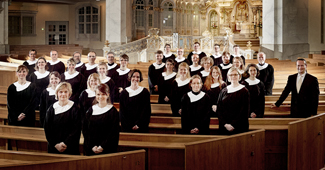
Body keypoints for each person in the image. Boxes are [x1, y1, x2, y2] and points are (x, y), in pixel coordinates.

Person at [44, 82, 81, 155]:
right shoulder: (52, 109)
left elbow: (76, 129)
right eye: (61, 92)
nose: (63, 94)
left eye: (65, 92)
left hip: (70, 147)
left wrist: (66, 143)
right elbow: (47, 128)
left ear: (69, 93)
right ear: (57, 93)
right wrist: (55, 144)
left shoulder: (75, 108)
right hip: (54, 147)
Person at [82, 84, 119, 156]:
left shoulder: (113, 111)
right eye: (98, 94)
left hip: (107, 149)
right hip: (91, 148)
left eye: (103, 94)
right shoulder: (90, 110)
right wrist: (92, 145)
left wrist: (102, 146)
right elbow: (85, 130)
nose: (100, 97)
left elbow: (113, 132)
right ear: (95, 95)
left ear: (107, 95)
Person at [217, 67, 249, 135]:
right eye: (231, 75)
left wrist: (233, 124)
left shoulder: (244, 91)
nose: (233, 76)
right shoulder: (223, 91)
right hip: (224, 126)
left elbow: (244, 110)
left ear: (239, 76)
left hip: (239, 125)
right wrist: (225, 124)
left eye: (235, 74)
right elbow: (219, 109)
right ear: (228, 76)